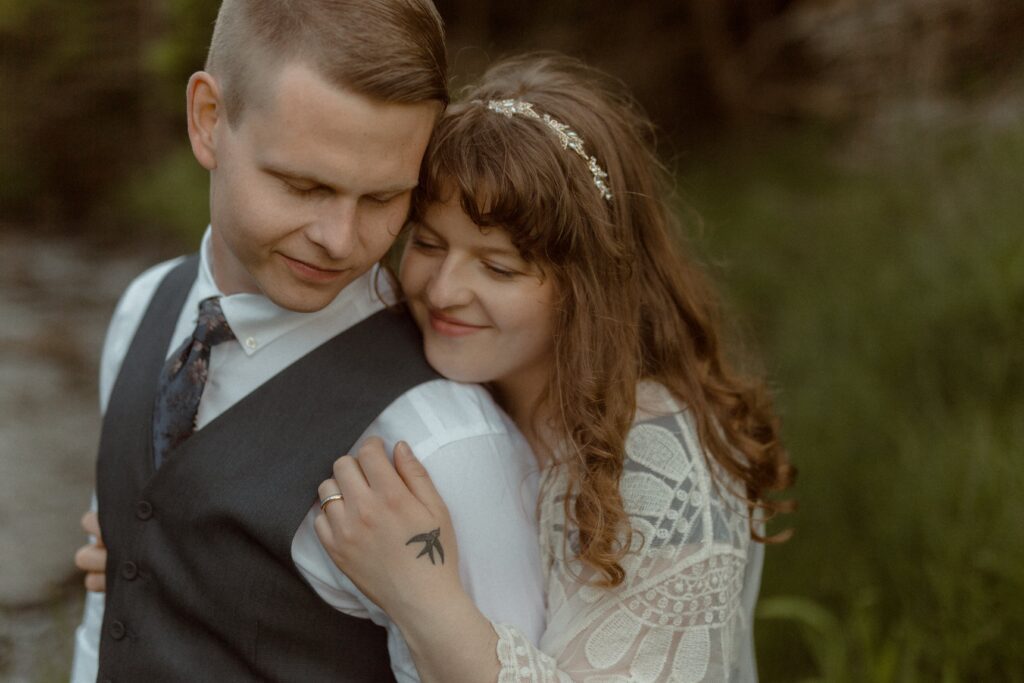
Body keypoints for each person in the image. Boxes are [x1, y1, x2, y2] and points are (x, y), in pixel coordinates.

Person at [69, 2, 546, 681]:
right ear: (208, 120)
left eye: (384, 198)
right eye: (304, 185)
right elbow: (110, 609)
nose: (341, 239)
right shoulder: (142, 308)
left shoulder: (440, 441)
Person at [312, 54, 796, 681]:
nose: (443, 289)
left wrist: (419, 592)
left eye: (499, 267)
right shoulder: (463, 374)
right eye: (428, 243)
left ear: (588, 289)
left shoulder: (660, 460)